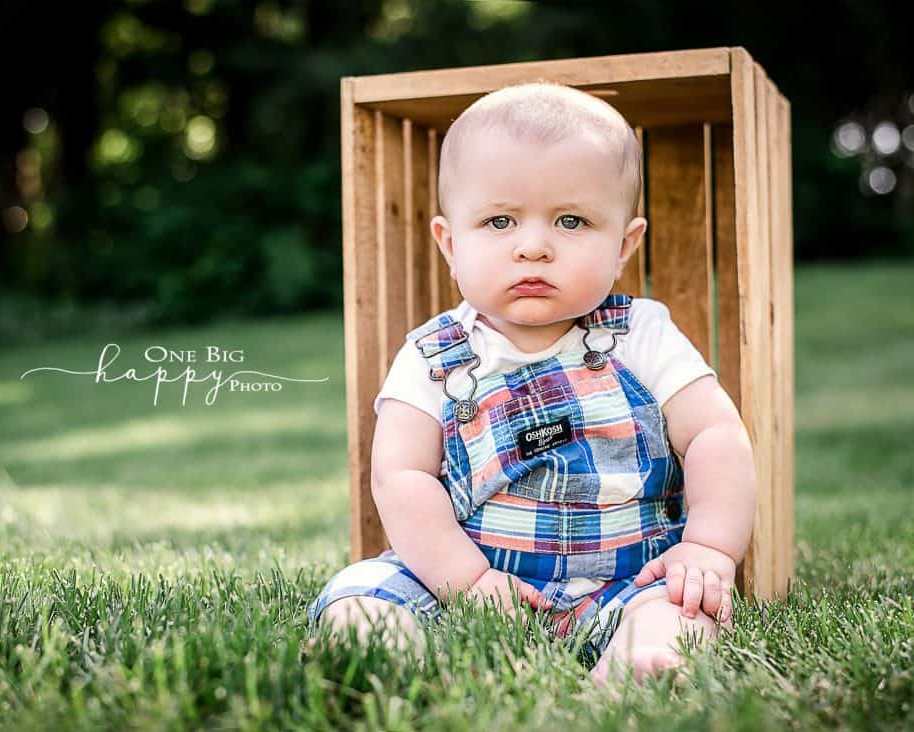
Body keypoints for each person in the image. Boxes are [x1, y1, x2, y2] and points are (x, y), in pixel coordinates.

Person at [306, 80, 757, 683]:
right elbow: (401, 476)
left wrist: (707, 546)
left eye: (571, 220)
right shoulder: (432, 355)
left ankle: (641, 663)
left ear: (625, 244)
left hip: (625, 582)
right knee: (362, 594)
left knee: (682, 614)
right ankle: (385, 652)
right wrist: (467, 582)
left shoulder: (641, 334)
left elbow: (715, 435)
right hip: (465, 579)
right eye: (499, 221)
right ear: (450, 242)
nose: (534, 247)